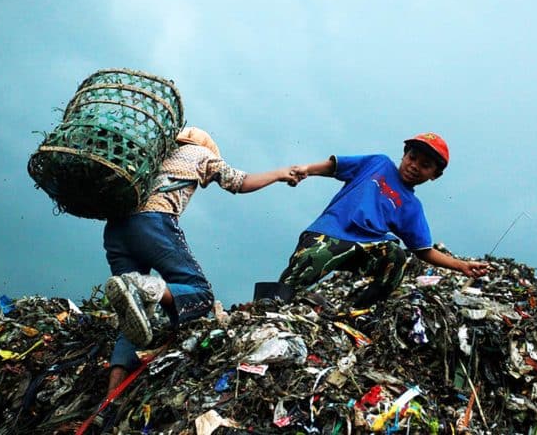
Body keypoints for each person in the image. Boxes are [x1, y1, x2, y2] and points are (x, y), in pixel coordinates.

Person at [102, 126, 301, 394]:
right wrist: (280, 173)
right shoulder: (200, 153)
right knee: (199, 292)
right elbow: (239, 182)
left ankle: (111, 396)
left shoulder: (153, 158)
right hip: (152, 222)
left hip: (116, 231)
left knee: (131, 313)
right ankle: (147, 286)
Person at [280, 132, 489, 308]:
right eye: (412, 157)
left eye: (425, 165)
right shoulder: (378, 164)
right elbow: (335, 166)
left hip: (366, 246)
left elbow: (423, 250)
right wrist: (307, 169)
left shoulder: (412, 207)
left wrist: (460, 265)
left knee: (396, 258)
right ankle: (271, 304)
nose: (414, 166)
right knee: (301, 273)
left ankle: (355, 312)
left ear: (435, 175)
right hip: (329, 233)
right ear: (404, 155)